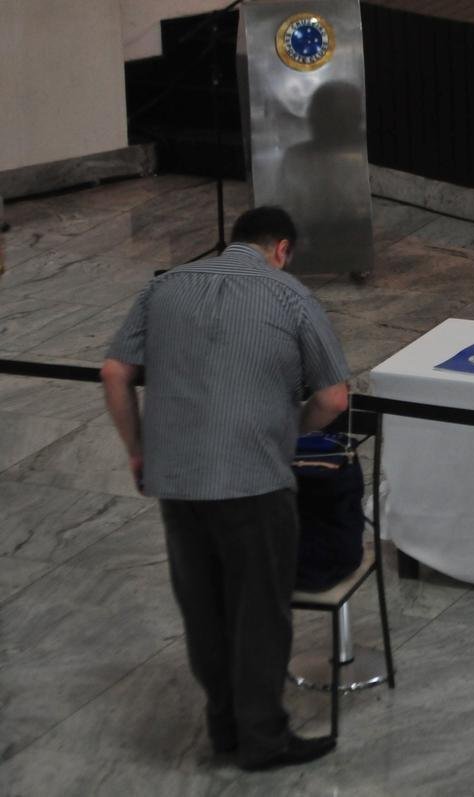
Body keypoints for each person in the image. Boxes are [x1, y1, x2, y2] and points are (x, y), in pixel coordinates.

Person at [100, 206, 350, 771]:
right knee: (258, 612)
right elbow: (335, 398)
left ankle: (224, 730)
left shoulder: (164, 287)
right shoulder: (290, 296)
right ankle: (263, 739)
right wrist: (289, 429)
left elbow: (115, 372)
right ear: (282, 249)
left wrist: (139, 450)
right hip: (253, 481)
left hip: (178, 481)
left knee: (204, 609)